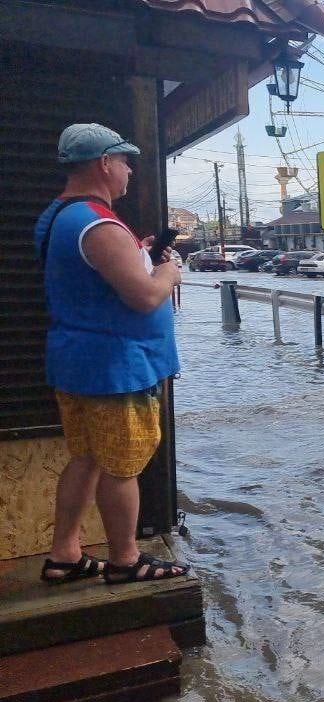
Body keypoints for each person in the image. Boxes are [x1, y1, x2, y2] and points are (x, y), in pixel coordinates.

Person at [36, 123, 186, 585]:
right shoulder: (96, 223)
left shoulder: (61, 216)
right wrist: (168, 273)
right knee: (123, 466)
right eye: (124, 163)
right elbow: (143, 297)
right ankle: (125, 560)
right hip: (116, 369)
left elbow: (98, 278)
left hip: (80, 362)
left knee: (87, 458)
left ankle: (65, 555)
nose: (128, 173)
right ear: (104, 163)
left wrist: (137, 253)